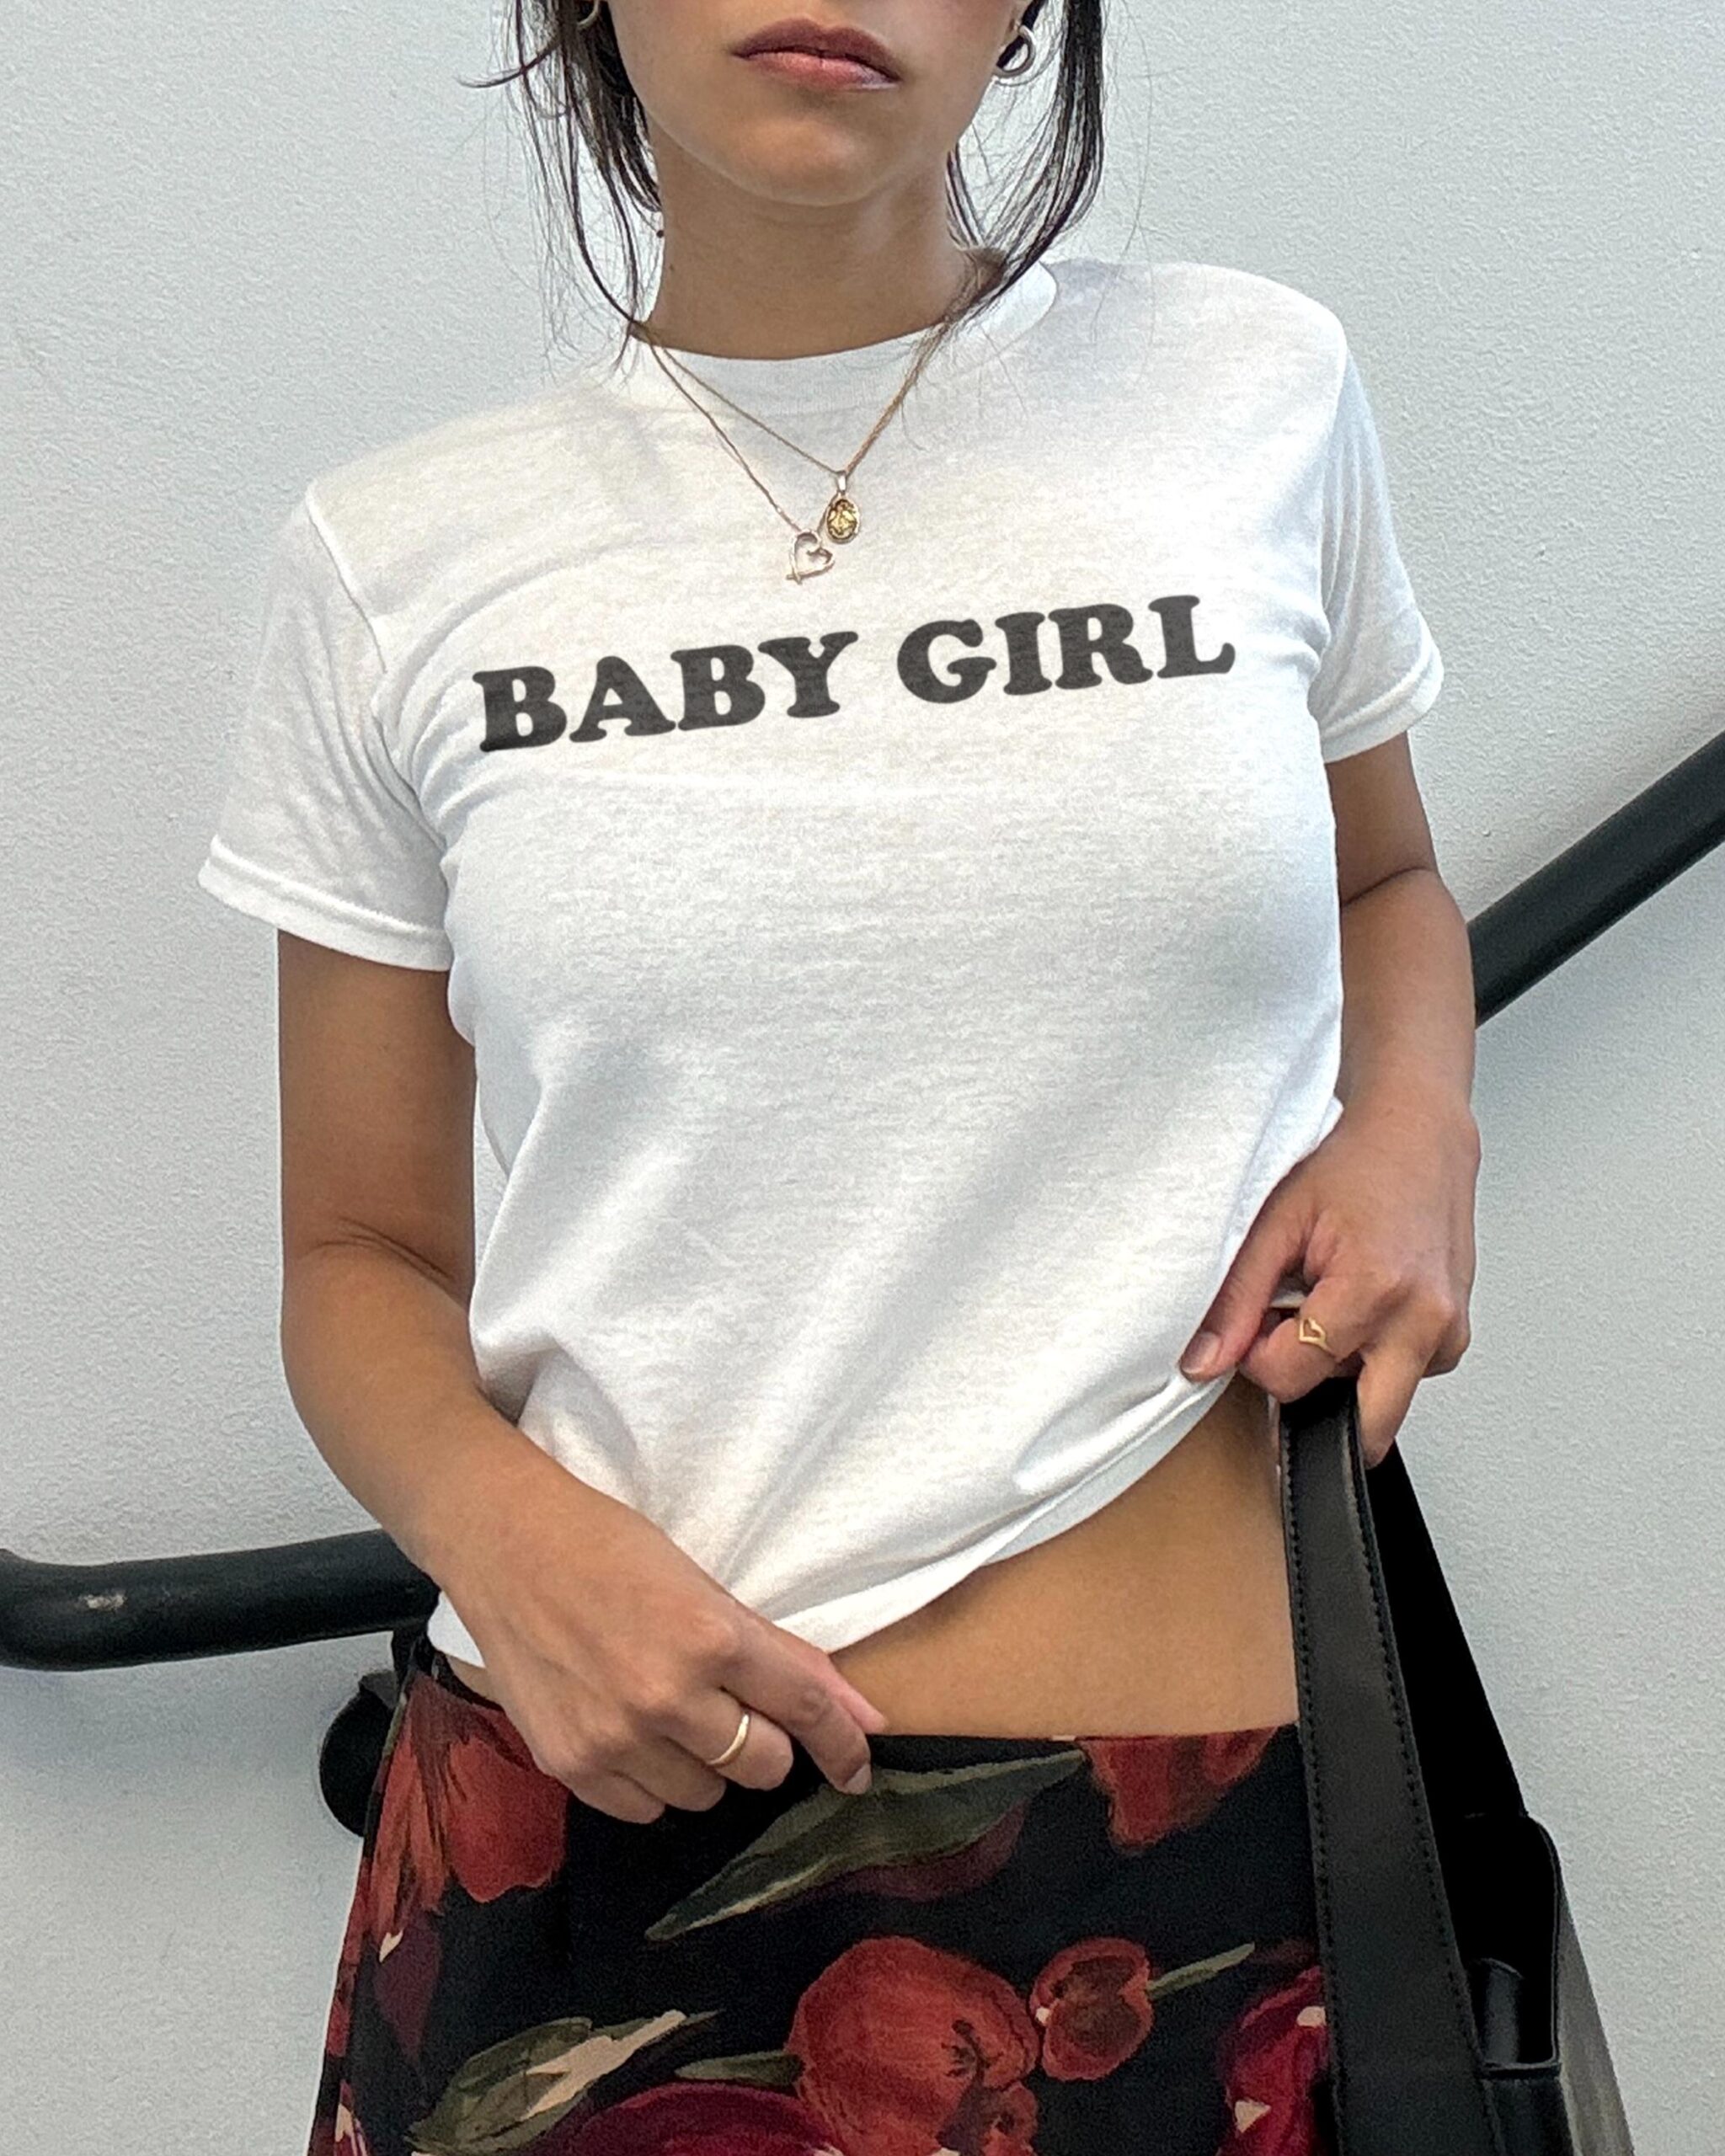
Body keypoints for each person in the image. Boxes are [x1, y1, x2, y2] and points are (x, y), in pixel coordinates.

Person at [197, 4, 1481, 2150]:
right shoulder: (394, 561)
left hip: (1195, 1879)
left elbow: (1390, 881)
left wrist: (1415, 1130)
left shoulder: (1246, 388)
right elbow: (356, 1250)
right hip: (589, 1851)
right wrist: (503, 1536)